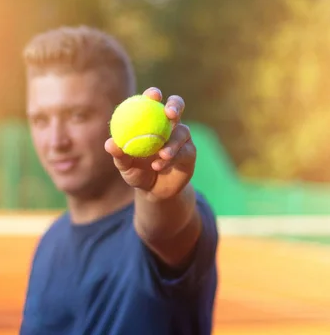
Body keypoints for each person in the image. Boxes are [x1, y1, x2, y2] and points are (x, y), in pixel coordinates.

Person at [19, 25, 219, 335]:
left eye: (77, 115)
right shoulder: (50, 241)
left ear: (119, 116)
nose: (55, 141)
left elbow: (167, 230)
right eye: (40, 120)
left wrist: (158, 196)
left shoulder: (165, 224)